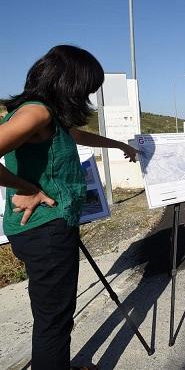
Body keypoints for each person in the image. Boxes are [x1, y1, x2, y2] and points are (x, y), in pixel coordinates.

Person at [0, 45, 139, 370]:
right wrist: (27, 188)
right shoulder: (38, 112)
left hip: (43, 230)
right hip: (45, 232)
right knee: (54, 323)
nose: (87, 95)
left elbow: (74, 134)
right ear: (69, 83)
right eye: (86, 87)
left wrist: (118, 144)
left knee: (53, 315)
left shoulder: (44, 114)